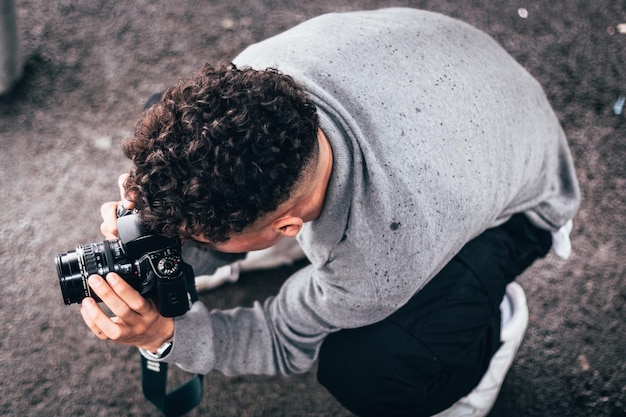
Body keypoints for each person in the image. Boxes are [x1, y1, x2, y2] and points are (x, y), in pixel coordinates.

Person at [79, 8, 580, 417]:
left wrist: (166, 336)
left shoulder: (375, 258)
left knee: (370, 371)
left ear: (288, 228)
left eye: (199, 238)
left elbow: (280, 339)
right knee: (164, 119)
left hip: (526, 198)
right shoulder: (258, 74)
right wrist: (151, 206)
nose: (176, 239)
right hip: (459, 76)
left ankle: (489, 326)